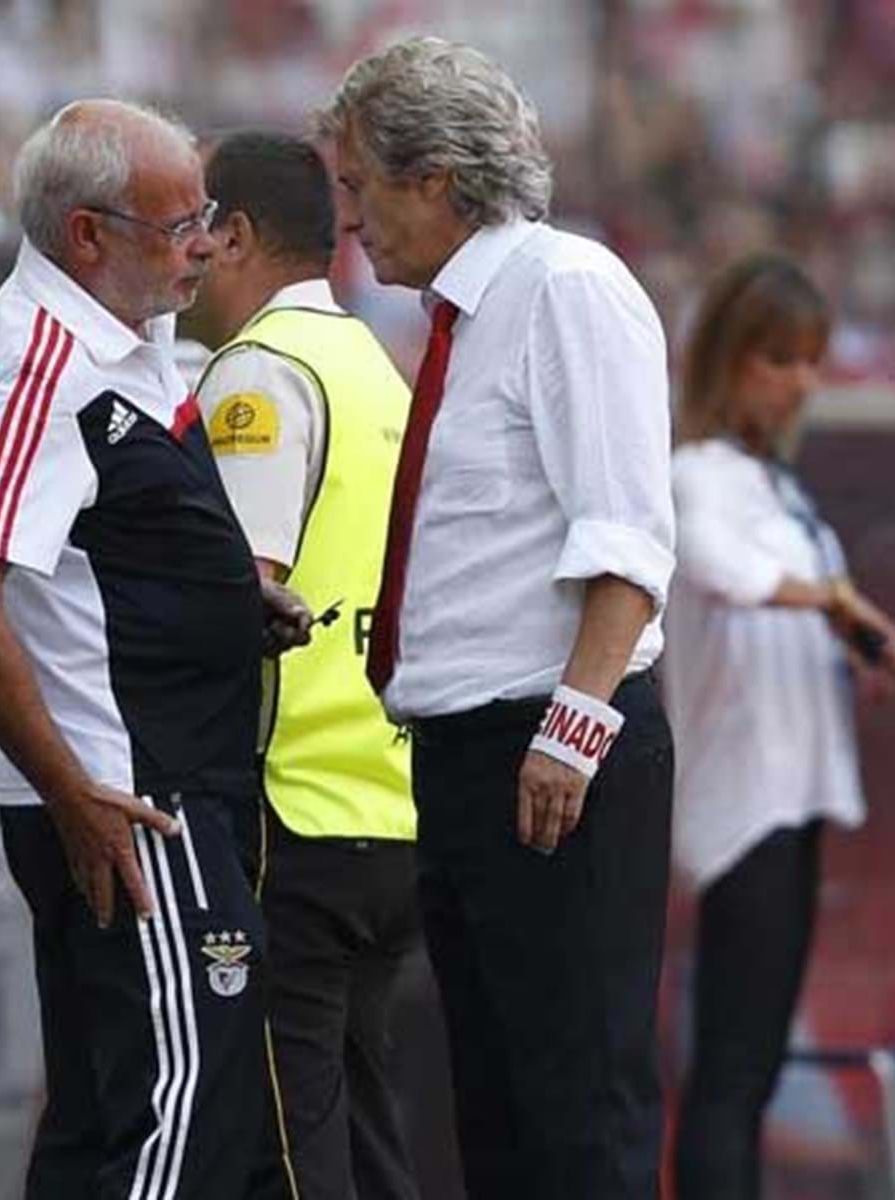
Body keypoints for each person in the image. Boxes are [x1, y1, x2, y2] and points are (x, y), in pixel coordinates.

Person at [0, 100, 310, 1200]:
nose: (206, 243)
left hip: (166, 790)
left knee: (105, 1118)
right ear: (87, 234)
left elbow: (106, 553)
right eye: (179, 221)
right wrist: (77, 791)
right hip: (137, 806)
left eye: (211, 213)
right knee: (180, 1117)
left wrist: (235, 602)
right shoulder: (45, 363)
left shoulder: (129, 335)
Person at [318, 36, 678, 1199]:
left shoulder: (567, 287)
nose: (354, 219)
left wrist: (570, 732)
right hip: (466, 753)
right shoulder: (460, 320)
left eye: (362, 185)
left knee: (577, 1102)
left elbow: (625, 534)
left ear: (435, 176)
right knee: (498, 1106)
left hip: (553, 745)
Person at [190, 130, 420, 1200]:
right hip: (390, 794)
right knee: (366, 1124)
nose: (181, 258)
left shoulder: (260, 374)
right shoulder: (376, 364)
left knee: (284, 1137)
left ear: (232, 234)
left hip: (296, 809)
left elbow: (243, 589)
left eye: (192, 228)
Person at [664, 255, 895, 1200]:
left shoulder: (777, 487)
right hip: (740, 804)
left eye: (808, 360)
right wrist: (835, 603)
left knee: (748, 1071)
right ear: (729, 361)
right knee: (730, 1074)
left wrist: (850, 658)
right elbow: (724, 571)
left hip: (795, 793)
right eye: (777, 359)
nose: (800, 381)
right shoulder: (694, 474)